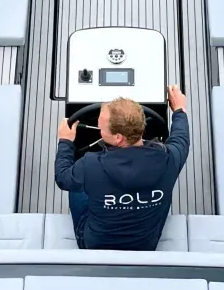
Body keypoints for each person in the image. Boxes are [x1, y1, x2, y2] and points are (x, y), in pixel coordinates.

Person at [54, 85, 189, 251]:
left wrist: (65, 142)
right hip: (145, 244)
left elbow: (62, 178)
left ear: (118, 137)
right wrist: (179, 110)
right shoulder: (169, 160)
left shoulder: (89, 165)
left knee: (78, 182)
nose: (100, 128)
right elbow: (181, 138)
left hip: (95, 244)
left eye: (101, 127)